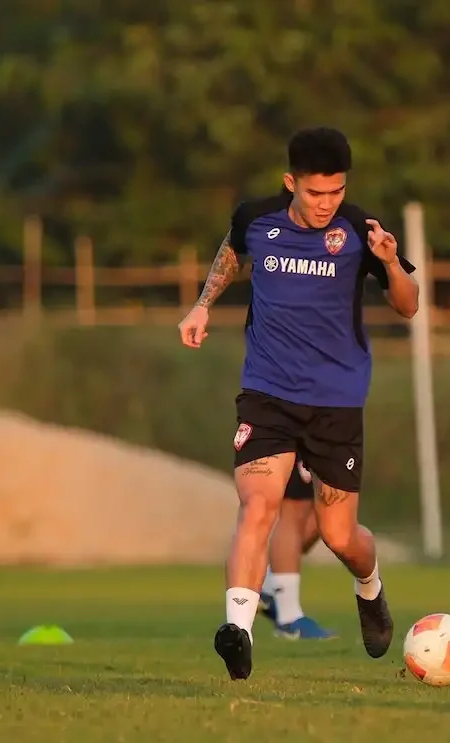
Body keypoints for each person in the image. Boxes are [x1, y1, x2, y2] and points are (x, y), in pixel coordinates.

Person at [177, 127, 418, 680]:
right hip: (267, 393)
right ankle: (238, 630)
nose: (326, 203)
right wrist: (202, 305)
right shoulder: (256, 219)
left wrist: (391, 262)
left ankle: (370, 587)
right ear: (291, 183)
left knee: (339, 537)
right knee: (258, 506)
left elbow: (408, 306)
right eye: (315, 193)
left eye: (336, 191)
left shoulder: (361, 230)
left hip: (336, 401)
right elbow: (231, 251)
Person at [258, 460, 336, 640]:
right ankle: (288, 618)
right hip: (295, 443)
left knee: (331, 505)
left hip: (332, 442)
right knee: (294, 509)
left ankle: (268, 586)